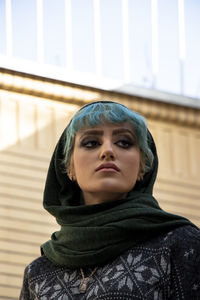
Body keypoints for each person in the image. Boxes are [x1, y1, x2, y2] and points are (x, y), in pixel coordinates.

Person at [20, 101, 200, 299]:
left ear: (143, 166)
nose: (107, 151)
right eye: (91, 143)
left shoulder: (182, 244)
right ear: (69, 167)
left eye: (124, 142)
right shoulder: (37, 273)